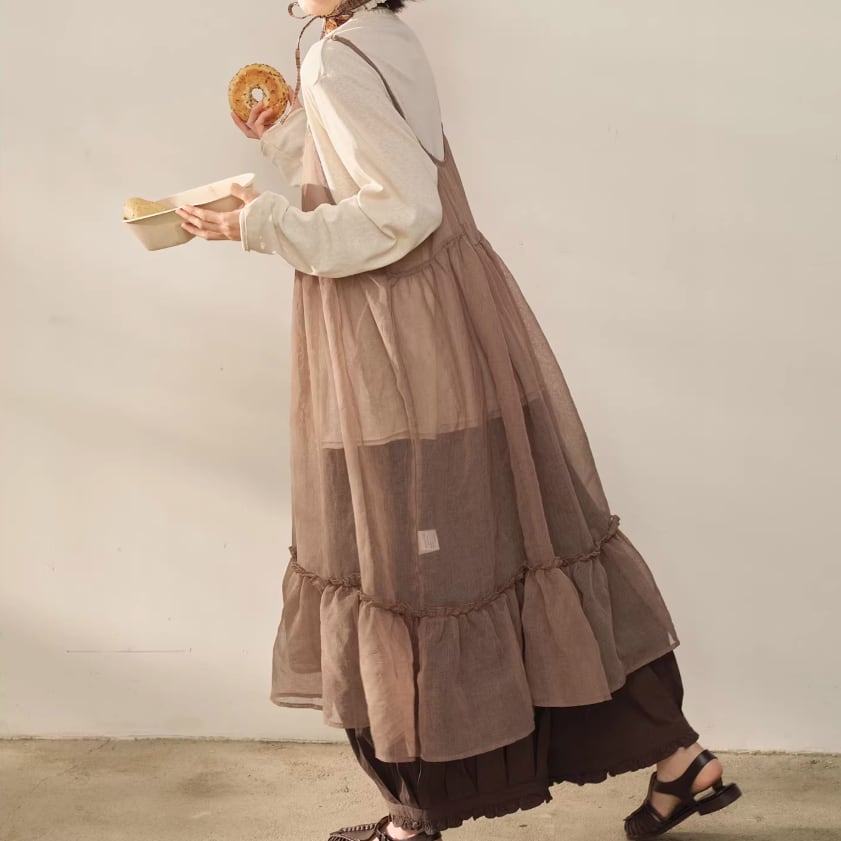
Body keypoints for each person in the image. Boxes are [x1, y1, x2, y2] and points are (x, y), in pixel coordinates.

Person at [175, 1, 743, 838]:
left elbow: (400, 213)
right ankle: (680, 758)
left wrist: (256, 224)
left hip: (394, 339)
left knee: (412, 558)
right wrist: (293, 136)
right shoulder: (374, 36)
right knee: (522, 536)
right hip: (453, 317)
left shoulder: (335, 58)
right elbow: (379, 172)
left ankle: (417, 816)